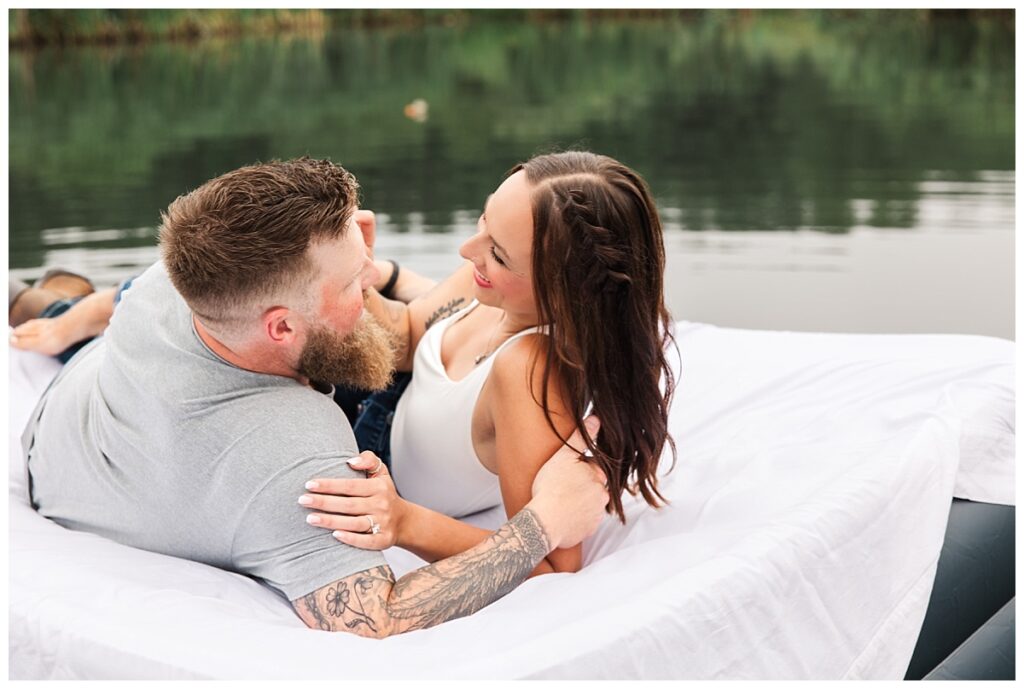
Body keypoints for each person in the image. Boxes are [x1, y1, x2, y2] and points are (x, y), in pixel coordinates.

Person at [20, 157, 609, 638]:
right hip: (125, 428)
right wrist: (540, 526)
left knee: (105, 302)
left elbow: (401, 329)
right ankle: (56, 302)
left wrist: (362, 274)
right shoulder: (299, 458)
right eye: (358, 283)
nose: (370, 287)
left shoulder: (173, 280)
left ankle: (56, 301)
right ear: (281, 328)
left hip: (70, 415)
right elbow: (380, 613)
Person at [299, 151, 677, 577]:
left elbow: (551, 563)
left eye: (498, 254)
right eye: (483, 220)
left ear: (562, 293)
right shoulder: (490, 281)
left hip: (378, 458)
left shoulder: (530, 371)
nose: (468, 250)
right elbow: (406, 337)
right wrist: (360, 275)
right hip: (385, 396)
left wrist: (404, 522)